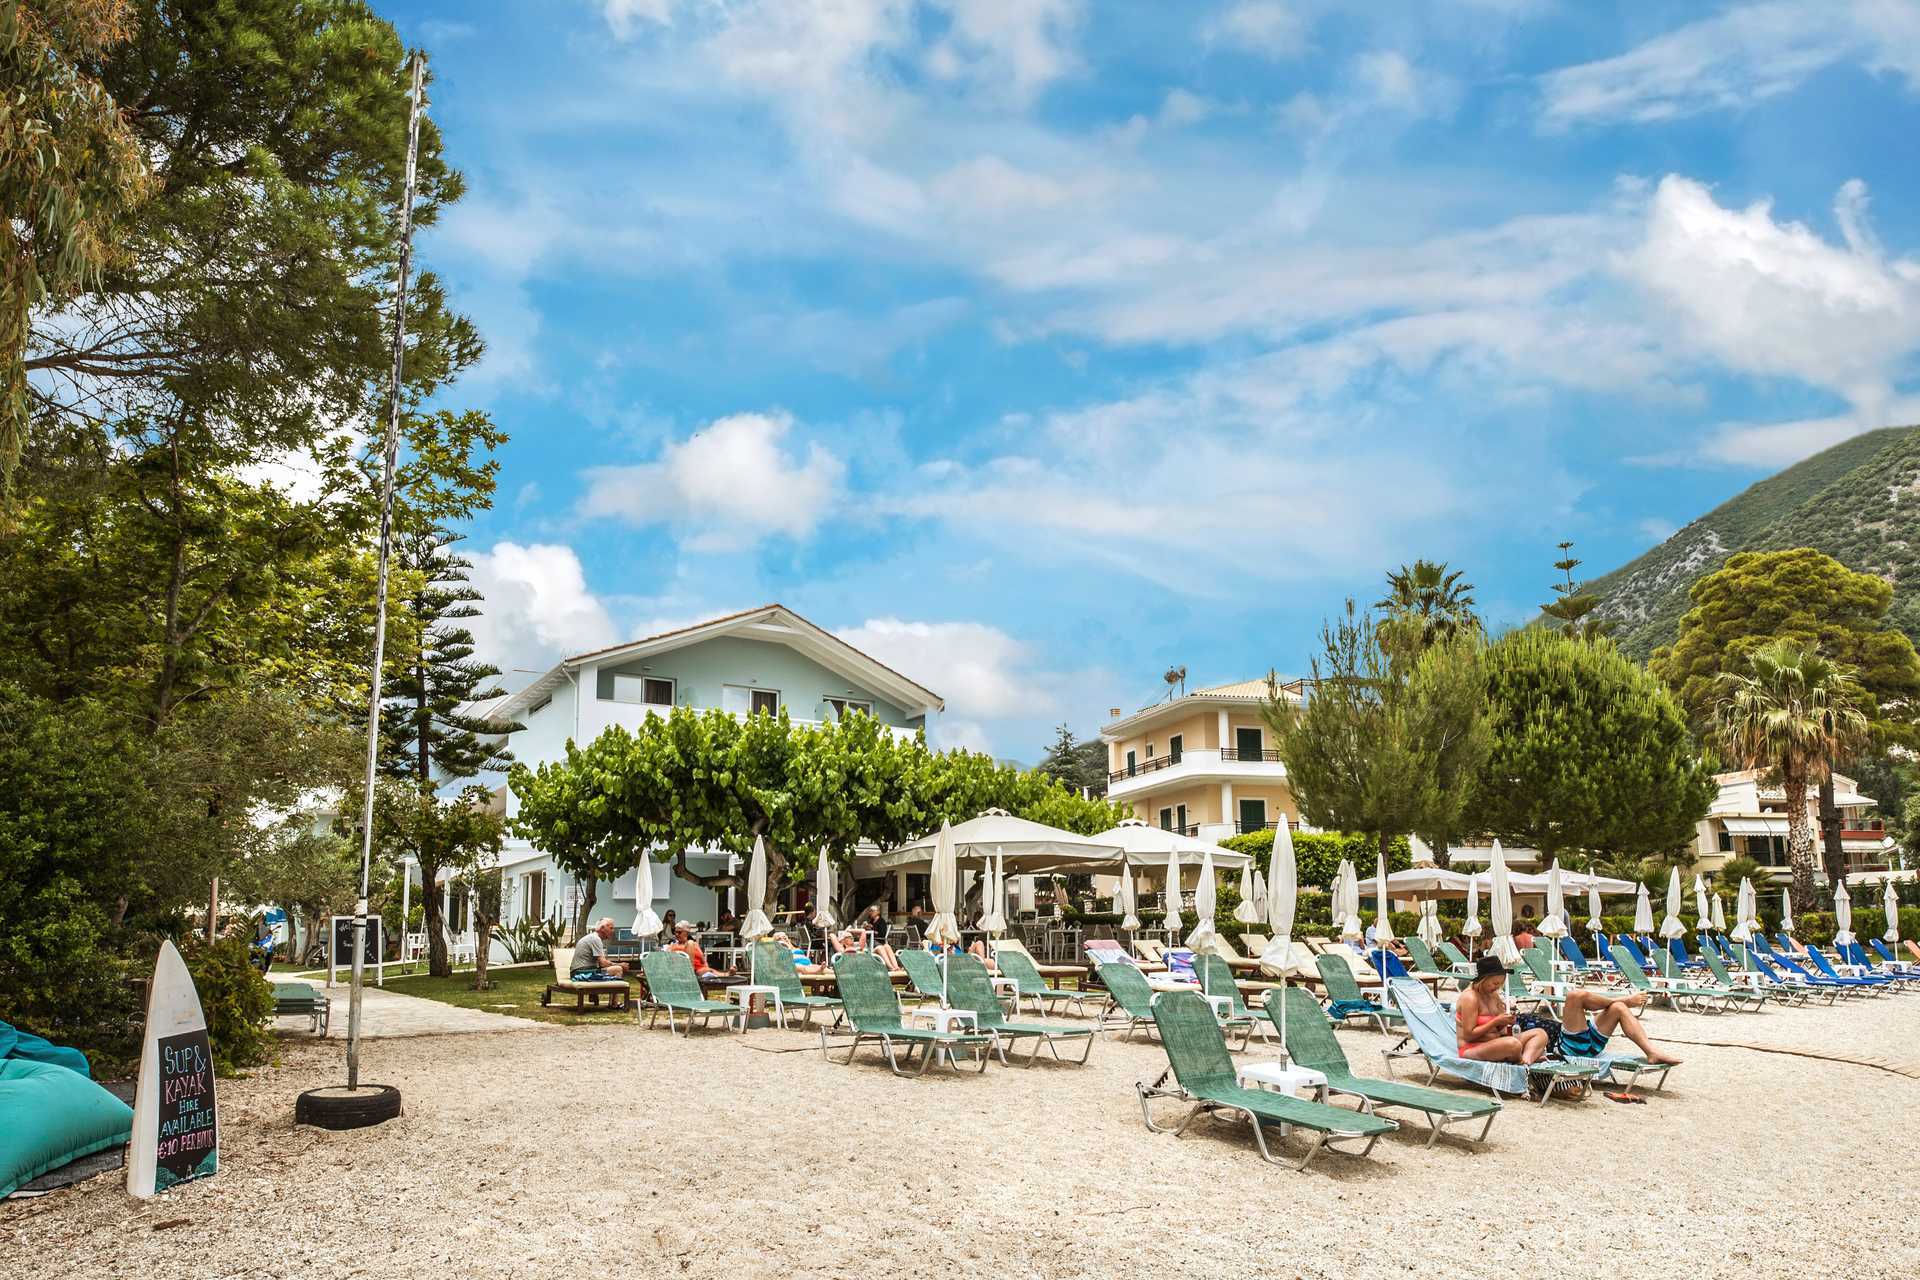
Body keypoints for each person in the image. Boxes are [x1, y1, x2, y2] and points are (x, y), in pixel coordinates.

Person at [1558, 984, 1682, 1066]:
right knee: (1575, 995)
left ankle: (1652, 1052)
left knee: (1619, 1007)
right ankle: (1626, 1001)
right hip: (1572, 1048)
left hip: (1592, 1044)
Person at [1455, 954, 1546, 1064]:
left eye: (1500, 984)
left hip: (1496, 1043)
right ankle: (1522, 1060)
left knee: (1540, 1034)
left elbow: (1499, 1029)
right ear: (1484, 980)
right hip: (1472, 1047)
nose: (1497, 987)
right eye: (1495, 983)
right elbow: (1469, 1036)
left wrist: (1505, 1021)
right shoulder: (1470, 997)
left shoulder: (1493, 995)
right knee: (1513, 1044)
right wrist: (1496, 1021)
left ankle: (1525, 1062)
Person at [667, 919, 734, 978]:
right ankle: (690, 972)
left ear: (686, 933)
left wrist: (706, 967)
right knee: (690, 943)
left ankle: (727, 974)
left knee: (708, 970)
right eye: (675, 932)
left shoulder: (694, 944)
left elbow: (703, 960)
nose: (676, 934)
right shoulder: (673, 945)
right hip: (683, 970)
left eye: (679, 932)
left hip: (698, 970)